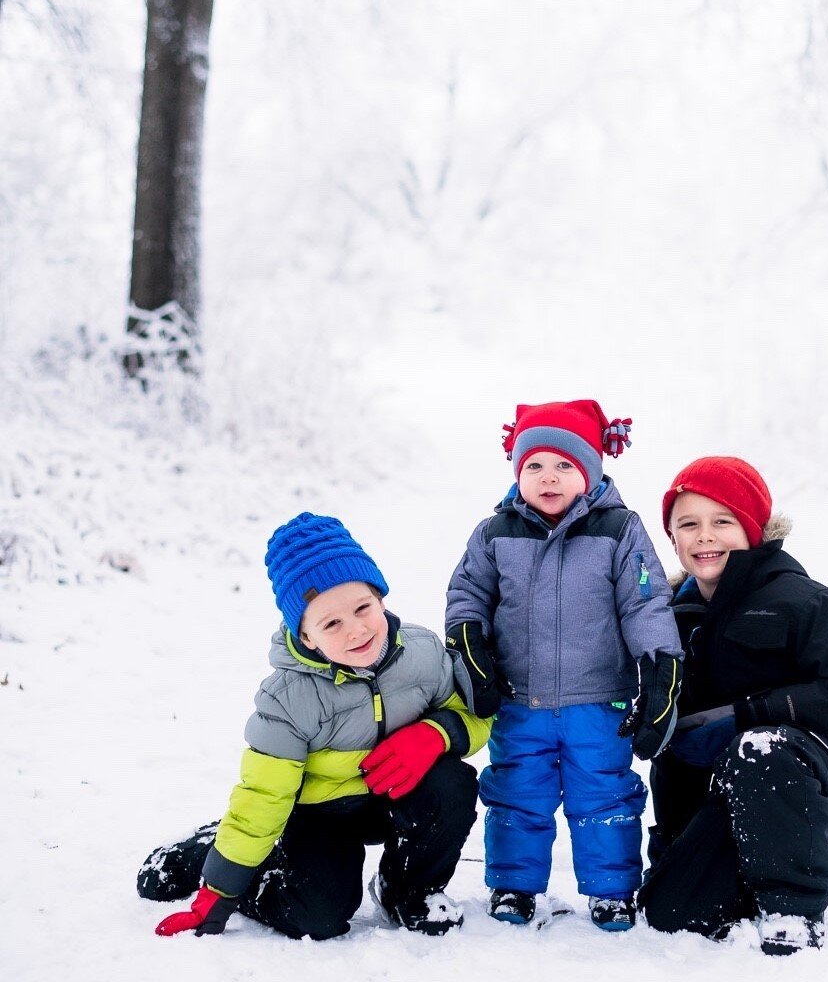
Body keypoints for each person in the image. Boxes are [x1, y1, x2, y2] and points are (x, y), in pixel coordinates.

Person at [137, 512, 491, 940]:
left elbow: (475, 714)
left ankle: (409, 892)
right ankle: (214, 855)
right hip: (320, 814)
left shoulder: (422, 652)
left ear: (380, 599)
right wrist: (219, 890)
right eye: (331, 624)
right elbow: (263, 794)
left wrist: (436, 733)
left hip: (393, 795)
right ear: (306, 637)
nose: (357, 630)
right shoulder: (287, 698)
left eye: (363, 608)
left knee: (451, 784)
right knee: (318, 917)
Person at [445, 400, 684, 932]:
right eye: (535, 465)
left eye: (563, 466)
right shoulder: (493, 534)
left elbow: (644, 604)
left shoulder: (620, 530)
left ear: (590, 471)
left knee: (604, 795)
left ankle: (613, 891)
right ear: (517, 472)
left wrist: (660, 670)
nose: (548, 477)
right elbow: (467, 599)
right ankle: (512, 885)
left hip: (600, 701)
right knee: (516, 793)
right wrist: (472, 653)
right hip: (518, 699)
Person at [638, 456, 828, 955]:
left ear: (754, 529)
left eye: (722, 521)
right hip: (722, 791)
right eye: (688, 524)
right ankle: (785, 858)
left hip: (824, 775)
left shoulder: (806, 603)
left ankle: (793, 907)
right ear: (673, 539)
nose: (704, 536)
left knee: (758, 747)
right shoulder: (666, 620)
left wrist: (750, 714)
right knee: (671, 914)